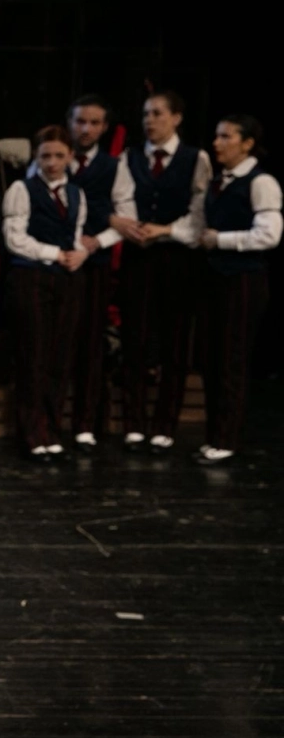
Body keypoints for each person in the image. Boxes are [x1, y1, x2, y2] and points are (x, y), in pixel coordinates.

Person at [118, 90, 210, 453]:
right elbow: (123, 198)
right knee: (135, 338)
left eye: (157, 113)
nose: (149, 121)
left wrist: (166, 230)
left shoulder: (194, 158)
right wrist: (135, 228)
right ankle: (134, 422)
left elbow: (199, 209)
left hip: (177, 256)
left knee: (175, 340)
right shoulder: (131, 157)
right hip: (139, 254)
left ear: (176, 118)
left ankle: (164, 424)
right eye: (145, 114)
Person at [50, 95, 136, 448]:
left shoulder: (114, 166)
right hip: (57, 262)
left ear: (105, 128)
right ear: (69, 123)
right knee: (56, 341)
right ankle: (50, 420)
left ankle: (85, 423)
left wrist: (96, 242)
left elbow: (126, 219)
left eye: (94, 123)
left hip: (95, 265)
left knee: (90, 342)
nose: (86, 129)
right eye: (80, 121)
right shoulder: (53, 158)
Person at [194, 114, 279, 465]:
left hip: (244, 278)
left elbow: (269, 234)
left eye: (226, 137)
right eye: (217, 136)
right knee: (212, 357)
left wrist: (222, 240)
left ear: (247, 143)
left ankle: (227, 439)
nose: (217, 143)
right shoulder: (218, 182)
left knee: (232, 357)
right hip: (216, 277)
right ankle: (215, 435)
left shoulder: (261, 181)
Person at [4, 125, 88, 461]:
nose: (52, 163)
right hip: (32, 277)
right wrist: (54, 253)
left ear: (70, 157)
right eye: (45, 156)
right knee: (34, 355)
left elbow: (76, 235)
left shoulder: (76, 194)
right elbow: (15, 238)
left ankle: (53, 431)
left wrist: (79, 254)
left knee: (60, 358)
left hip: (66, 280)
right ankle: (33, 433)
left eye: (59, 156)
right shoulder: (22, 189)